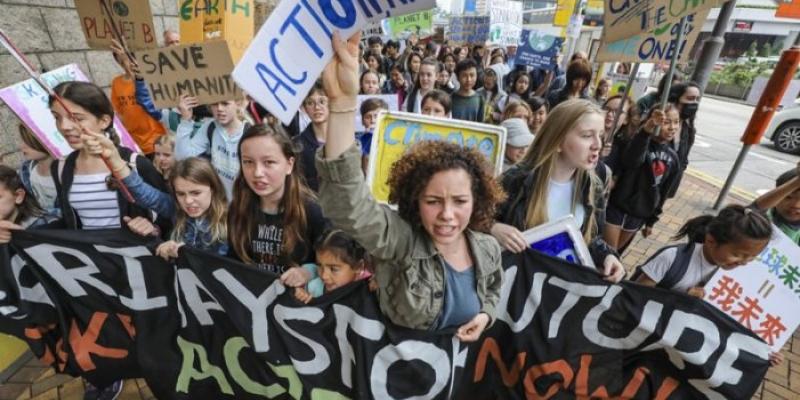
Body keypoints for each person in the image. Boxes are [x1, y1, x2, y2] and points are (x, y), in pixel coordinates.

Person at [316, 32, 504, 340]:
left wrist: (485, 314)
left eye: (459, 201)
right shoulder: (400, 243)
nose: (447, 214)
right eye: (433, 201)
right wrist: (342, 104)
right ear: (415, 200)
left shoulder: (487, 248)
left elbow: (494, 286)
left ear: (477, 200)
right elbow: (350, 204)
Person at [46, 81, 169, 399]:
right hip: (90, 269)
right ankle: (107, 375)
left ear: (104, 120)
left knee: (141, 326)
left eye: (76, 118)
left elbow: (168, 211)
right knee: (101, 325)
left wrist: (152, 227)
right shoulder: (62, 168)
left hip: (134, 269)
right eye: (57, 117)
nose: (65, 127)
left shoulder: (133, 163)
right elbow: (63, 218)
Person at [492, 99, 625, 282]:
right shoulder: (516, 179)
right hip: (512, 284)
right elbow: (476, 219)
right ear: (558, 142)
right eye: (587, 135)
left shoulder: (594, 186)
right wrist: (494, 228)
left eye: (600, 135)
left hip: (555, 288)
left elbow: (590, 238)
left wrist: (607, 256)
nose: (597, 144)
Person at [633, 204, 783, 367]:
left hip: (678, 353)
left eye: (752, 257)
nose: (744, 262)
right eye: (737, 254)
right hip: (643, 343)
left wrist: (762, 352)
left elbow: (737, 321)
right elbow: (634, 297)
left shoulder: (740, 278)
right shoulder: (672, 258)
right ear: (711, 241)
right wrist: (682, 300)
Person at [228, 125, 328, 277]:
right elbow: (233, 261)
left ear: (289, 164)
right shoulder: (238, 209)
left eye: (268, 162)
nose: (257, 173)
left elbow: (333, 265)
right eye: (248, 162)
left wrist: (308, 272)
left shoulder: (313, 213)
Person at [604, 106, 682, 252]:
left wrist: (651, 221)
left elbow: (663, 192)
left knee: (615, 253)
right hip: (616, 207)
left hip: (639, 214)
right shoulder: (638, 141)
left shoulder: (673, 158)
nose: (672, 127)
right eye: (666, 122)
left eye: (676, 122)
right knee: (608, 252)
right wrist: (646, 131)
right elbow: (632, 161)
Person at [152, 158, 229, 259]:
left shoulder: (232, 222)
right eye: (181, 194)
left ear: (213, 189)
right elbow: (146, 194)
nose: (188, 201)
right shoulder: (177, 212)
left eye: (196, 193)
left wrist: (186, 253)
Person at [175, 94, 249, 199]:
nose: (219, 108)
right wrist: (186, 120)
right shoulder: (210, 127)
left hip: (243, 202)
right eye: (214, 104)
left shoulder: (249, 132)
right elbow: (183, 157)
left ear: (238, 104)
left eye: (225, 103)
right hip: (219, 201)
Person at [109, 47, 166, 158]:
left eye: (128, 59)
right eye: (121, 62)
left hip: (156, 138)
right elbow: (119, 112)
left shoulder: (148, 78)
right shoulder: (116, 82)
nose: (126, 65)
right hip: (134, 142)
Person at [293, 229, 372, 303]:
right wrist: (302, 297)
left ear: (358, 267)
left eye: (334, 269)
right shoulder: (313, 289)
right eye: (319, 266)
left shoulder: (371, 286)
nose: (324, 276)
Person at [293, 83, 330, 192]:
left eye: (322, 101)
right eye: (310, 103)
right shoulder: (297, 144)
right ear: (304, 108)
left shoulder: (344, 138)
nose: (317, 107)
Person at [17, 125, 58, 221]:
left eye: (27, 141)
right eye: (22, 141)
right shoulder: (26, 170)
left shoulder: (67, 175)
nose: (21, 146)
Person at [752, 163, 800, 244]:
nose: (796, 205)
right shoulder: (758, 220)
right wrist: (797, 181)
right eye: (788, 197)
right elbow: (755, 208)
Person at [357, 98, 389, 173]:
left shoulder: (394, 141)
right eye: (368, 117)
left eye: (376, 116)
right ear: (362, 121)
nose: (373, 121)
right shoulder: (357, 143)